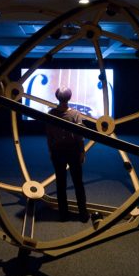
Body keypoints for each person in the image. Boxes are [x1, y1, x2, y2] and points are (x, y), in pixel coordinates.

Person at [46, 87, 89, 223]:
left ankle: (63, 214)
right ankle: (83, 214)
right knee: (78, 184)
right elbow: (80, 137)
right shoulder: (76, 114)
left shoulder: (51, 114)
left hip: (58, 152)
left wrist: (51, 151)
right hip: (73, 153)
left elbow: (49, 136)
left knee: (61, 184)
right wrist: (82, 152)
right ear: (69, 97)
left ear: (57, 97)